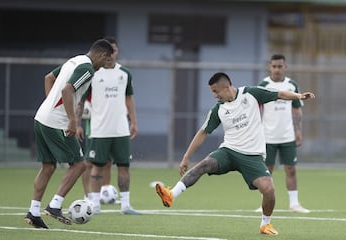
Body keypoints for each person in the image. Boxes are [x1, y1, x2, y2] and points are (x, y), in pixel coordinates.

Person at [155, 72, 315, 235]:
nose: (214, 95)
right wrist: (186, 157)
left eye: (215, 91)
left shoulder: (251, 93)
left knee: (269, 189)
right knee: (204, 164)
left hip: (252, 156)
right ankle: (171, 194)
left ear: (226, 87)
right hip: (229, 151)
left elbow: (279, 94)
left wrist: (299, 96)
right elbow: (203, 132)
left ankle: (265, 225)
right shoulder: (219, 109)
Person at [24, 39, 114, 229]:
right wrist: (72, 120)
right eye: (106, 60)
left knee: (48, 166)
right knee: (79, 165)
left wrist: (50, 105)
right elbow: (67, 90)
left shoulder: (74, 60)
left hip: (41, 117)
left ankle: (33, 211)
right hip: (57, 123)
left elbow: (49, 77)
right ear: (101, 55)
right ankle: (55, 205)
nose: (105, 65)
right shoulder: (87, 68)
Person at [76, 36, 140, 215]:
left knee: (124, 166)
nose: (110, 55)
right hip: (99, 130)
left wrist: (133, 121)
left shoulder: (125, 73)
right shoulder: (93, 73)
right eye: (107, 51)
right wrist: (78, 123)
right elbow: (81, 100)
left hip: (121, 130)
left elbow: (129, 99)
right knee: (96, 166)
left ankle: (126, 205)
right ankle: (95, 205)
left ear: (117, 52)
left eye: (113, 51)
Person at [257, 54, 310, 213]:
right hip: (268, 136)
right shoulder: (264, 85)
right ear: (269, 67)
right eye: (274, 66)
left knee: (291, 169)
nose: (277, 69)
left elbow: (297, 110)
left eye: (280, 66)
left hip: (287, 136)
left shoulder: (291, 85)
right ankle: (263, 204)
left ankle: (294, 204)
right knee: (267, 171)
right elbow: (258, 109)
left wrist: (298, 130)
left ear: (285, 67)